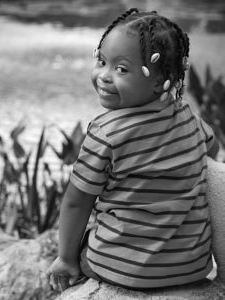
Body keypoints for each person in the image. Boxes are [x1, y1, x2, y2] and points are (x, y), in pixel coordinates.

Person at [46, 8, 220, 291]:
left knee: (85, 246)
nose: (103, 75)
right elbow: (213, 150)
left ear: (159, 79)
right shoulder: (189, 117)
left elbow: (77, 202)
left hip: (121, 269)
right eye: (101, 61)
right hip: (192, 267)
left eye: (121, 69)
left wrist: (66, 258)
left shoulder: (105, 133)